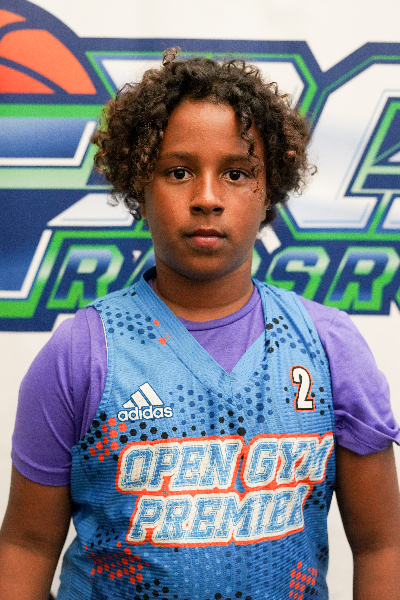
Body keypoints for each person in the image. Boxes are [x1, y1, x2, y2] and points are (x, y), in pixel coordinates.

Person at [1, 49, 400, 600]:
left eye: (236, 173)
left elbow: (382, 546)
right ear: (139, 187)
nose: (207, 198)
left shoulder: (328, 347)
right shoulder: (83, 352)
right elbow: (25, 546)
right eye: (178, 172)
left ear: (269, 190)